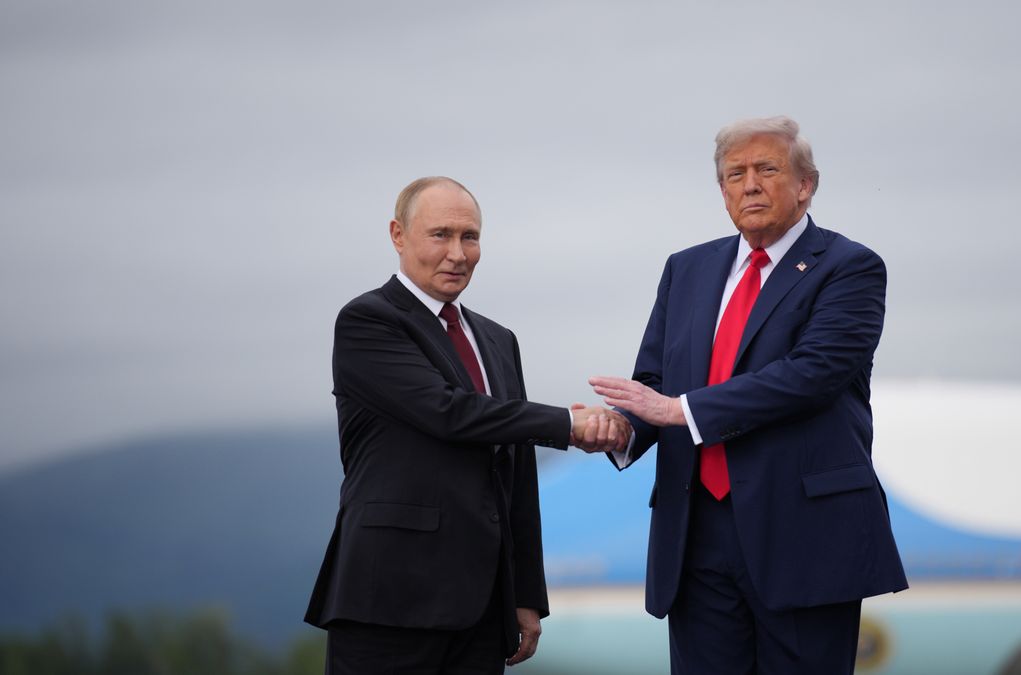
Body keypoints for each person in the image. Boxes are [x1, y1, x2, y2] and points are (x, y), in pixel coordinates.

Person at [590, 117, 908, 674]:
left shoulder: (849, 267)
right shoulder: (686, 268)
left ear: (806, 184)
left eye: (767, 169)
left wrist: (678, 411)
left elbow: (812, 374)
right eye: (735, 174)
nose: (750, 185)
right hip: (695, 535)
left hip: (803, 535)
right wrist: (619, 427)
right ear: (722, 191)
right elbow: (657, 383)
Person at [305, 176, 629, 675]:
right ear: (398, 235)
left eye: (470, 237)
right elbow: (449, 412)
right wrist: (569, 424)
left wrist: (524, 595)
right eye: (441, 235)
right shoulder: (367, 320)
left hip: (480, 609)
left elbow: (516, 472)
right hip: (389, 599)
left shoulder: (498, 339)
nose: (458, 253)